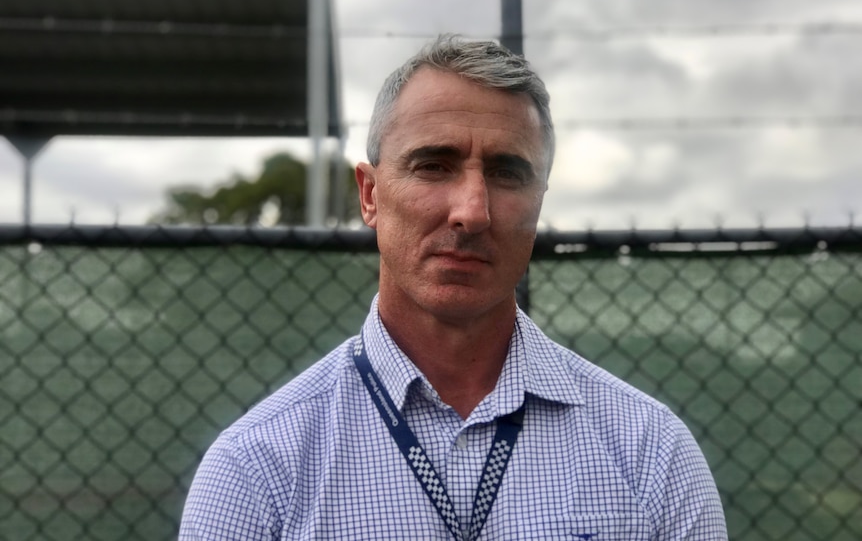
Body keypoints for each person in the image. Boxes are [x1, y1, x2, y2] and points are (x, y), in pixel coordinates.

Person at [179, 35, 727, 540]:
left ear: (540, 200)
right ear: (369, 194)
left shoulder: (651, 453)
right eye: (434, 165)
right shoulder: (256, 470)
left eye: (508, 172)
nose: (471, 212)